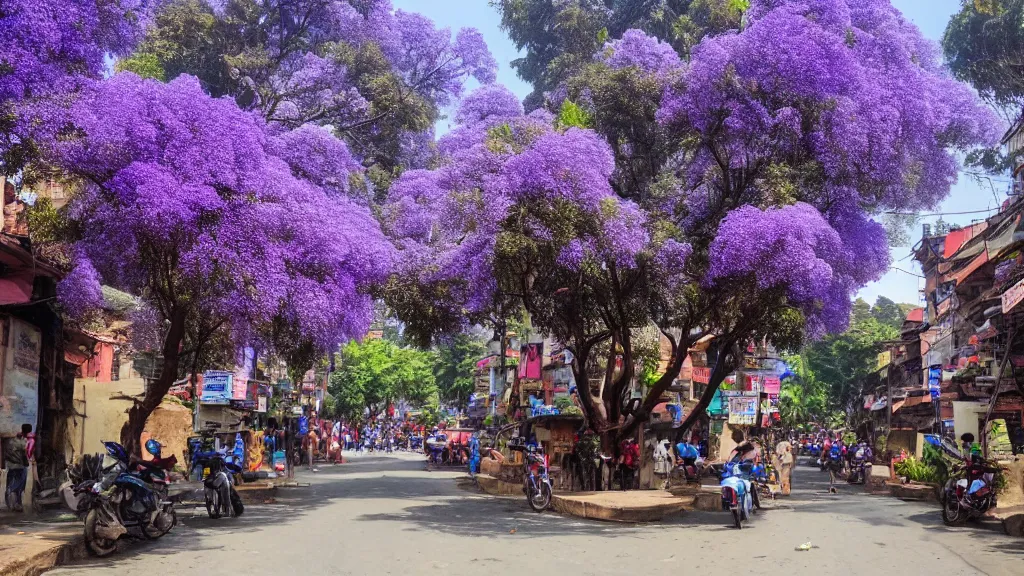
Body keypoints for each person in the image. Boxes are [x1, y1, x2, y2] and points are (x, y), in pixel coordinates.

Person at [3, 424, 31, 512]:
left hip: (11, 466)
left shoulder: (10, 441)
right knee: (19, 486)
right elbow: (24, 455)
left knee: (10, 484)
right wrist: (26, 463)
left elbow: (6, 454)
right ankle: (17, 504)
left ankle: (10, 503)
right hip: (20, 466)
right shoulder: (23, 442)